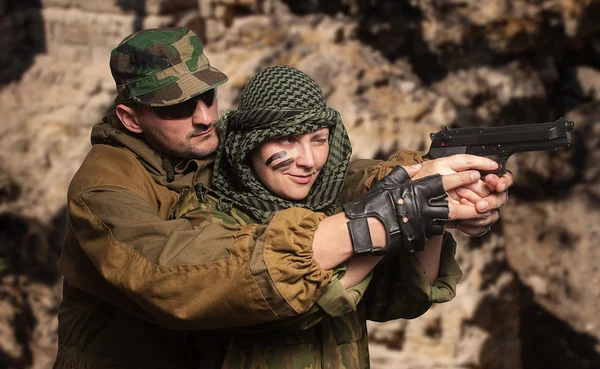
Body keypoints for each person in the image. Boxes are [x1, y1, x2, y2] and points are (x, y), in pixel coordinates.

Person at [53, 27, 512, 369]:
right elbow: (172, 272)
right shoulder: (102, 190)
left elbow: (322, 173)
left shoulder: (209, 144)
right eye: (176, 106)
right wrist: (375, 222)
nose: (203, 117)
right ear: (131, 119)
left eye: (207, 96)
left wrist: (419, 180)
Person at [169, 65, 469, 368]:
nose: (309, 161)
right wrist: (385, 222)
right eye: (286, 139)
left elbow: (398, 299)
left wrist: (434, 211)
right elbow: (285, 308)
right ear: (248, 145)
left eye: (318, 139)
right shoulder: (206, 220)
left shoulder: (335, 210)